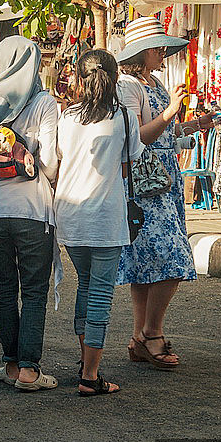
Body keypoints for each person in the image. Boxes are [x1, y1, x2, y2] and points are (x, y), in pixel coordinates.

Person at [0, 35, 60, 392]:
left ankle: (9, 364)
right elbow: (50, 165)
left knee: (3, 289)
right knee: (33, 291)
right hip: (33, 212)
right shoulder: (44, 103)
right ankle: (29, 370)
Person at [114, 17, 204, 369]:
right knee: (171, 256)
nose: (164, 53)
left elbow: (165, 133)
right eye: (158, 48)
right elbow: (137, 137)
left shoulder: (154, 81)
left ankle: (140, 336)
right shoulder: (127, 85)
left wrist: (193, 125)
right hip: (146, 183)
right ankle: (153, 332)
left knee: (147, 262)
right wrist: (170, 112)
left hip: (164, 178)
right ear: (145, 52)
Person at [55, 49, 144, 396]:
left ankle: (86, 361)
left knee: (86, 285)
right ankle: (90, 376)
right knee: (100, 295)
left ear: (79, 78)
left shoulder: (67, 117)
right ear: (114, 79)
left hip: (70, 215)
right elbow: (131, 158)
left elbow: (60, 157)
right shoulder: (122, 117)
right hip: (106, 214)